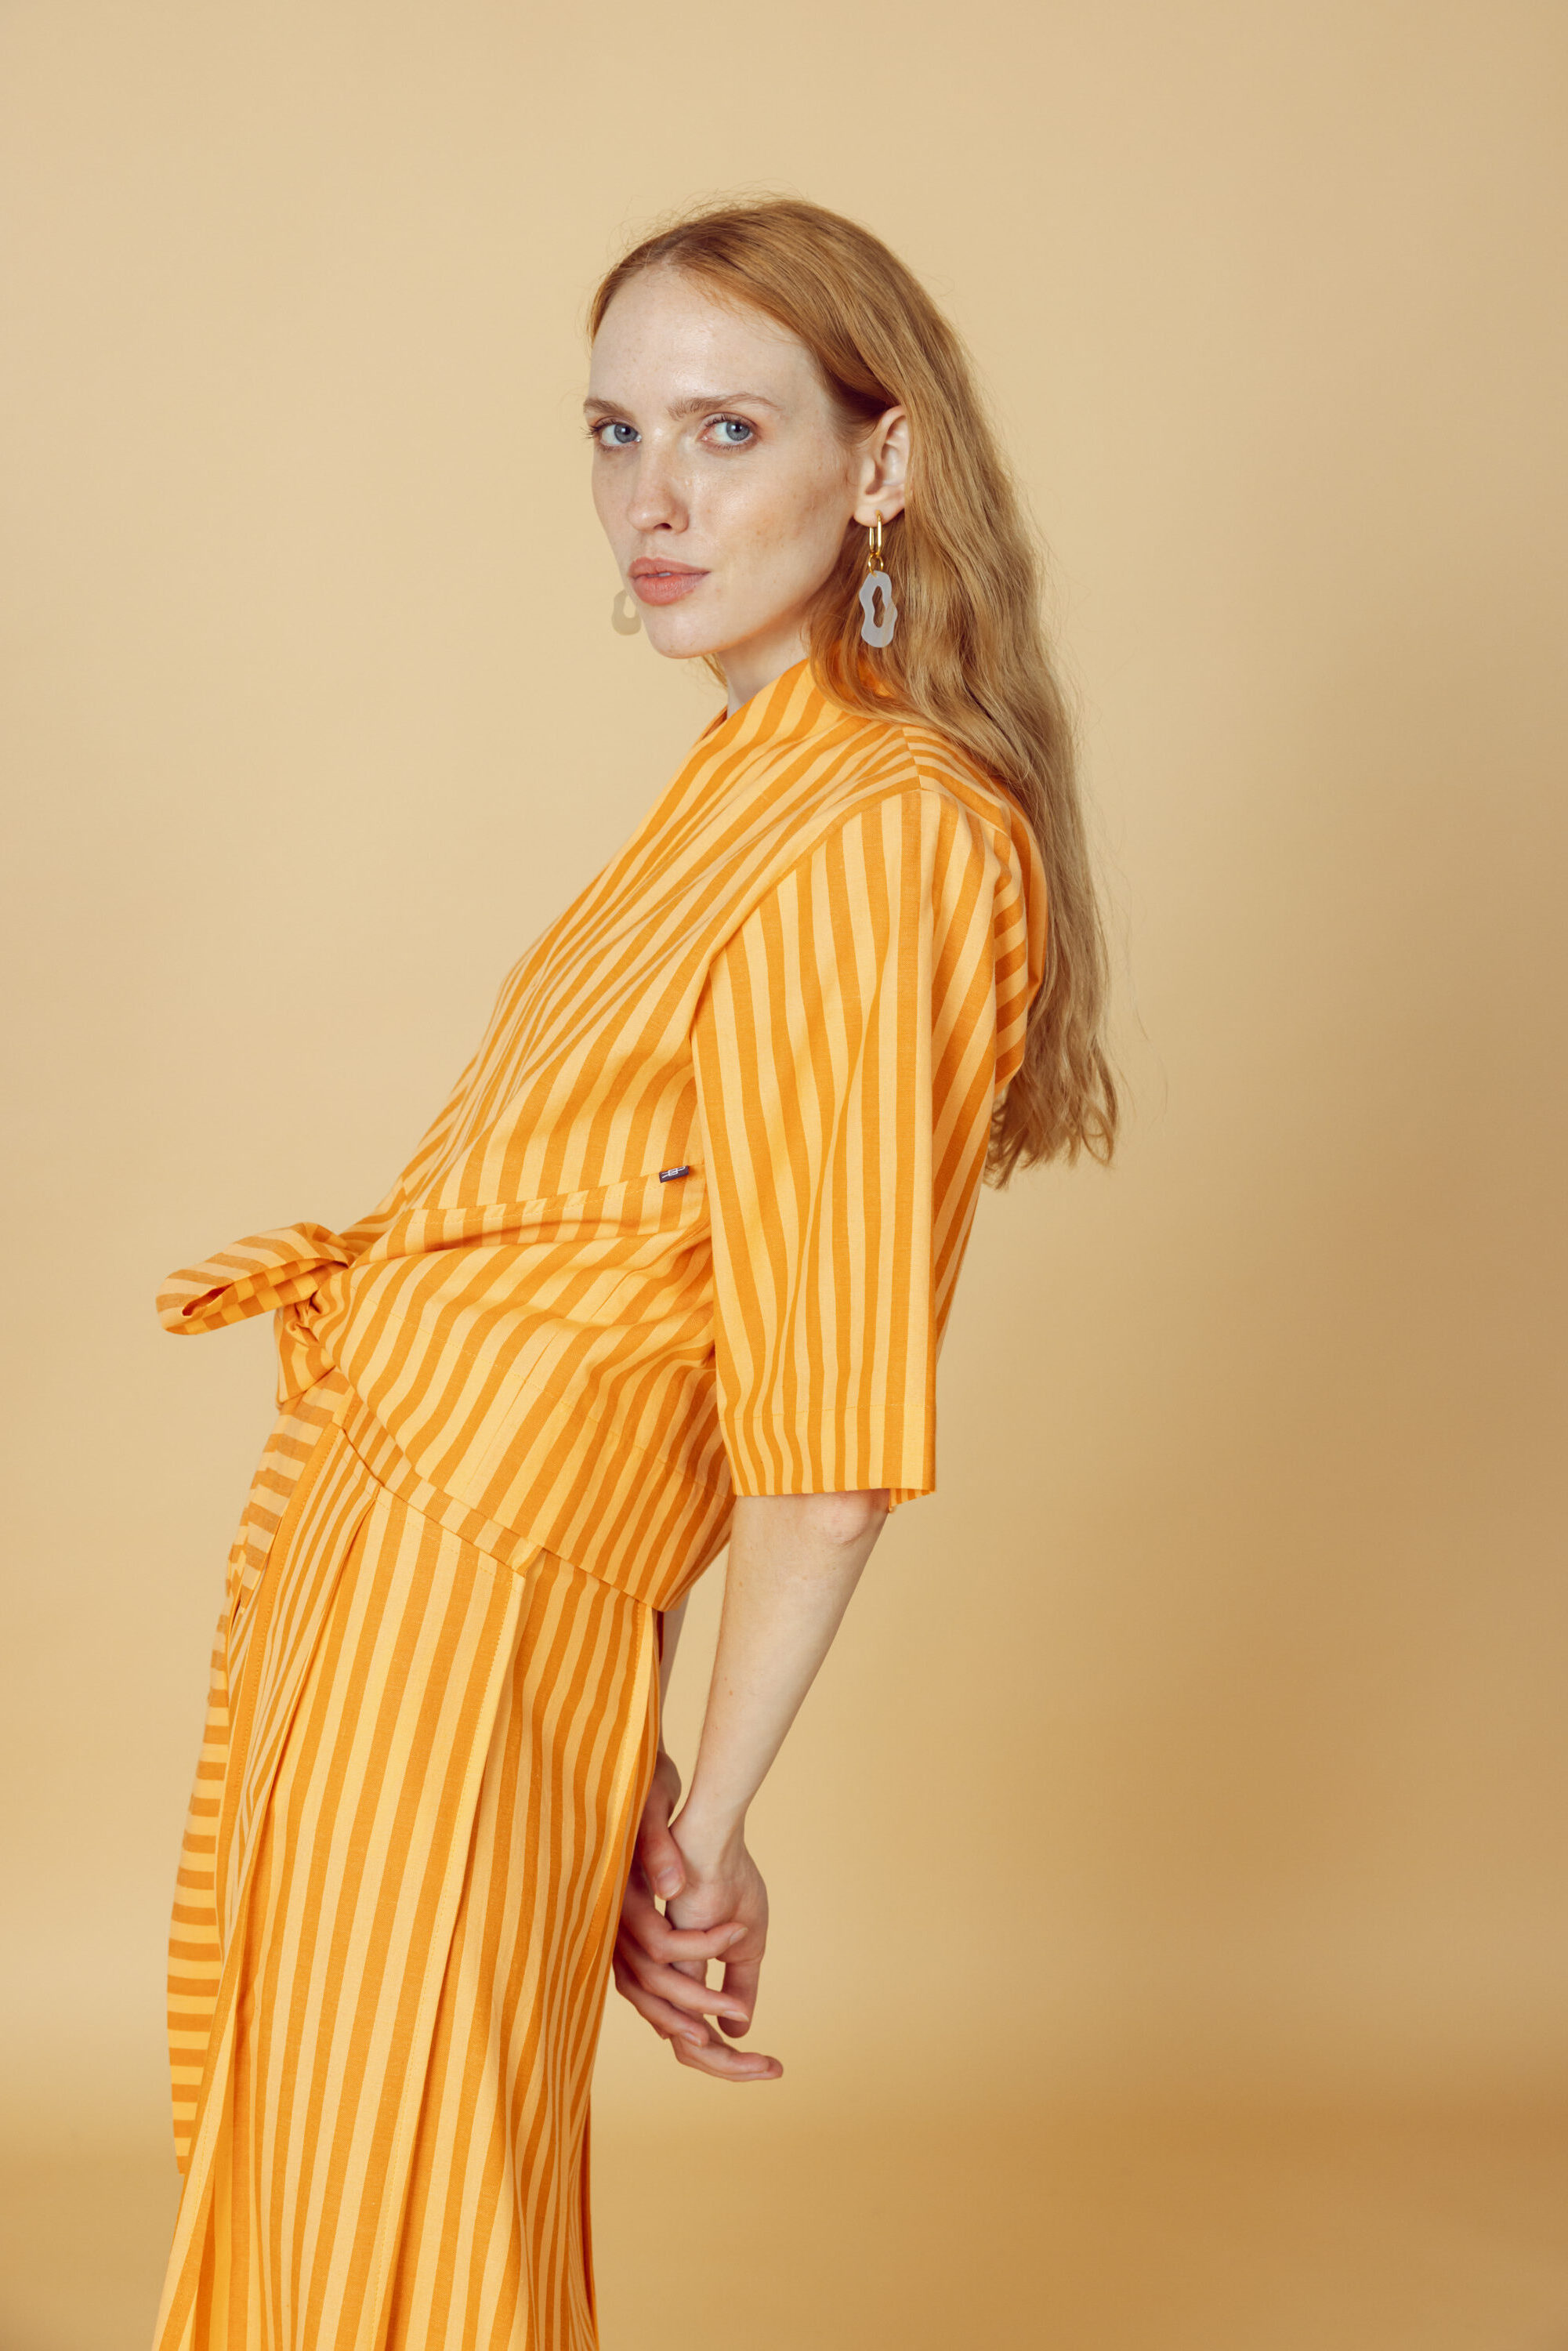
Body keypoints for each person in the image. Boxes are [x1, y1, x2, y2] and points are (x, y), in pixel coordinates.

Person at [148, 195, 1117, 2351]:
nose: (651, 499)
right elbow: (647, 1327)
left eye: (725, 430)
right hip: (419, 1566)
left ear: (880, 462)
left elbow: (816, 1437)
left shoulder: (882, 829)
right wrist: (640, 1760)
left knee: (400, 2197)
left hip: (461, 1596)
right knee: (332, 2168)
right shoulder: (747, 783)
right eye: (613, 431)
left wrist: (703, 1824)